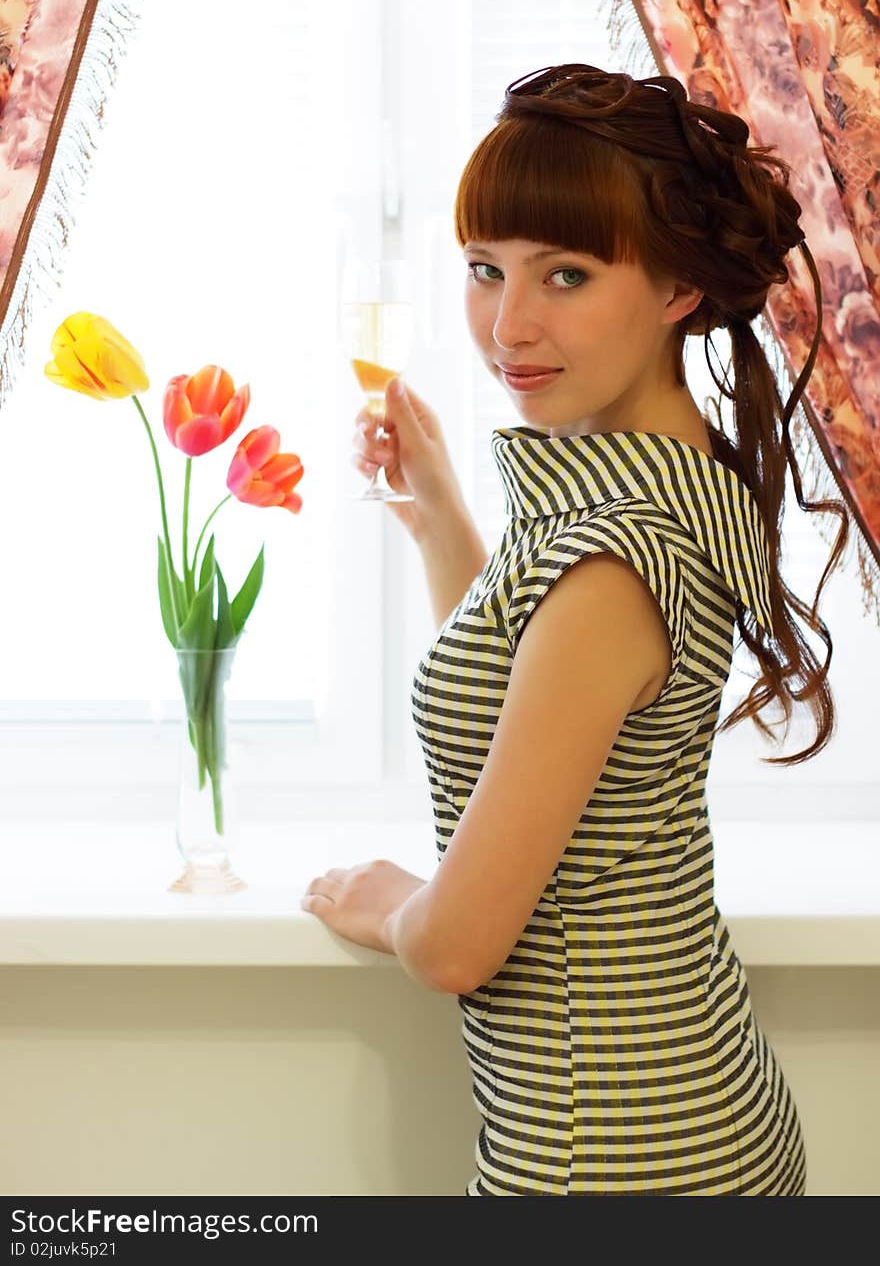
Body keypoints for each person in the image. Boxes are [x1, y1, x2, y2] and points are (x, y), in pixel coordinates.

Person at [326, 65, 850, 1194]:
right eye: (484, 271)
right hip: (683, 1110)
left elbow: (459, 945)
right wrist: (442, 522)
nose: (508, 325)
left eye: (564, 274)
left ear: (675, 285)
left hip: (613, 1157)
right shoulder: (673, 484)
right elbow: (540, 705)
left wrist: (388, 908)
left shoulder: (610, 558)